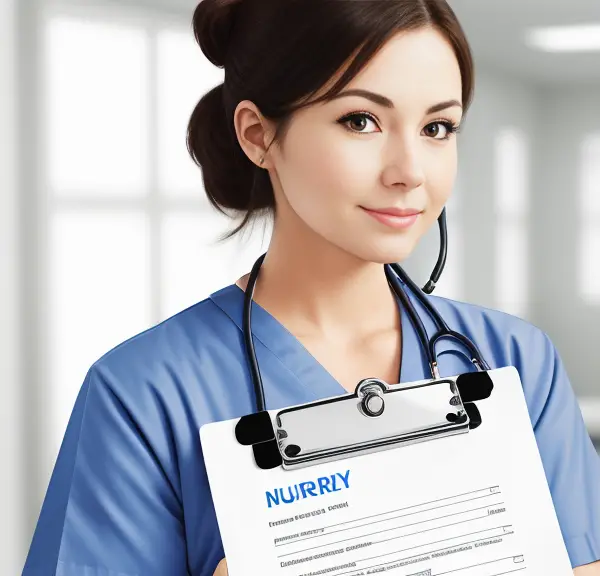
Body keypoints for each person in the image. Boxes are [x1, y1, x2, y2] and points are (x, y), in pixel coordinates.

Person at [23, 0, 600, 574]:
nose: (410, 169)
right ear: (258, 136)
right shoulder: (142, 395)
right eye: (360, 121)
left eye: (437, 128)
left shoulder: (516, 361)